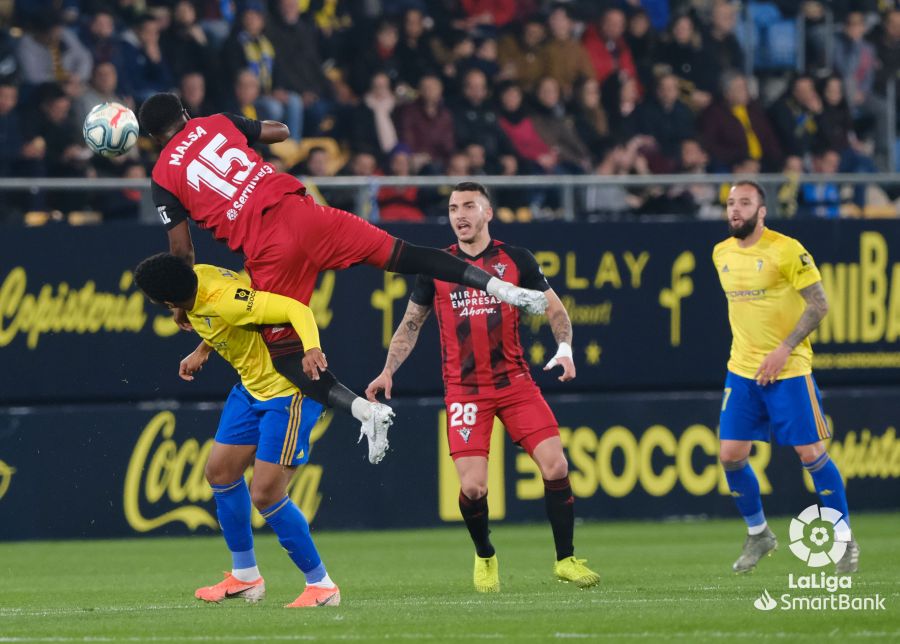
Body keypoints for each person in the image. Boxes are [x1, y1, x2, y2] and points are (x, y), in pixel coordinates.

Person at [138, 92, 547, 431]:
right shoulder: (217, 122)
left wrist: (179, 302)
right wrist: (244, 130)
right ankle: (502, 288)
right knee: (407, 255)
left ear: (156, 138)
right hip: (306, 213)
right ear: (186, 114)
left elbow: (183, 254)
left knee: (284, 356)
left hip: (268, 247)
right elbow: (279, 132)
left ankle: (367, 414)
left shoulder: (162, 176)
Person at [365, 182, 601, 593]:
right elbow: (410, 324)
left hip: (515, 384)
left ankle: (566, 560)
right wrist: (388, 370)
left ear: (487, 213)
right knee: (473, 487)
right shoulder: (436, 265)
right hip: (465, 391)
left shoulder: (516, 259)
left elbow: (555, 309)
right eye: (454, 207)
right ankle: (486, 554)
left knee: (557, 466)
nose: (460, 214)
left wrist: (564, 348)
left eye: (469, 206)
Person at [132, 253, 358, 607]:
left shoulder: (224, 300)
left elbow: (297, 309)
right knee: (220, 472)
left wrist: (312, 347)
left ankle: (322, 586)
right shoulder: (198, 279)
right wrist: (202, 348)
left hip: (286, 393)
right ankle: (246, 577)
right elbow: (217, 316)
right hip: (251, 388)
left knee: (266, 494)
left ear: (166, 302)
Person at [713, 181, 858, 575]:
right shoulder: (721, 252)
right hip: (742, 371)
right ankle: (759, 534)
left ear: (762, 211)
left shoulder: (786, 249)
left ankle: (843, 538)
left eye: (744, 203)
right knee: (730, 455)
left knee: (810, 454)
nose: (735, 210)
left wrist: (784, 348)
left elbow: (819, 304)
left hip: (789, 370)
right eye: (730, 203)